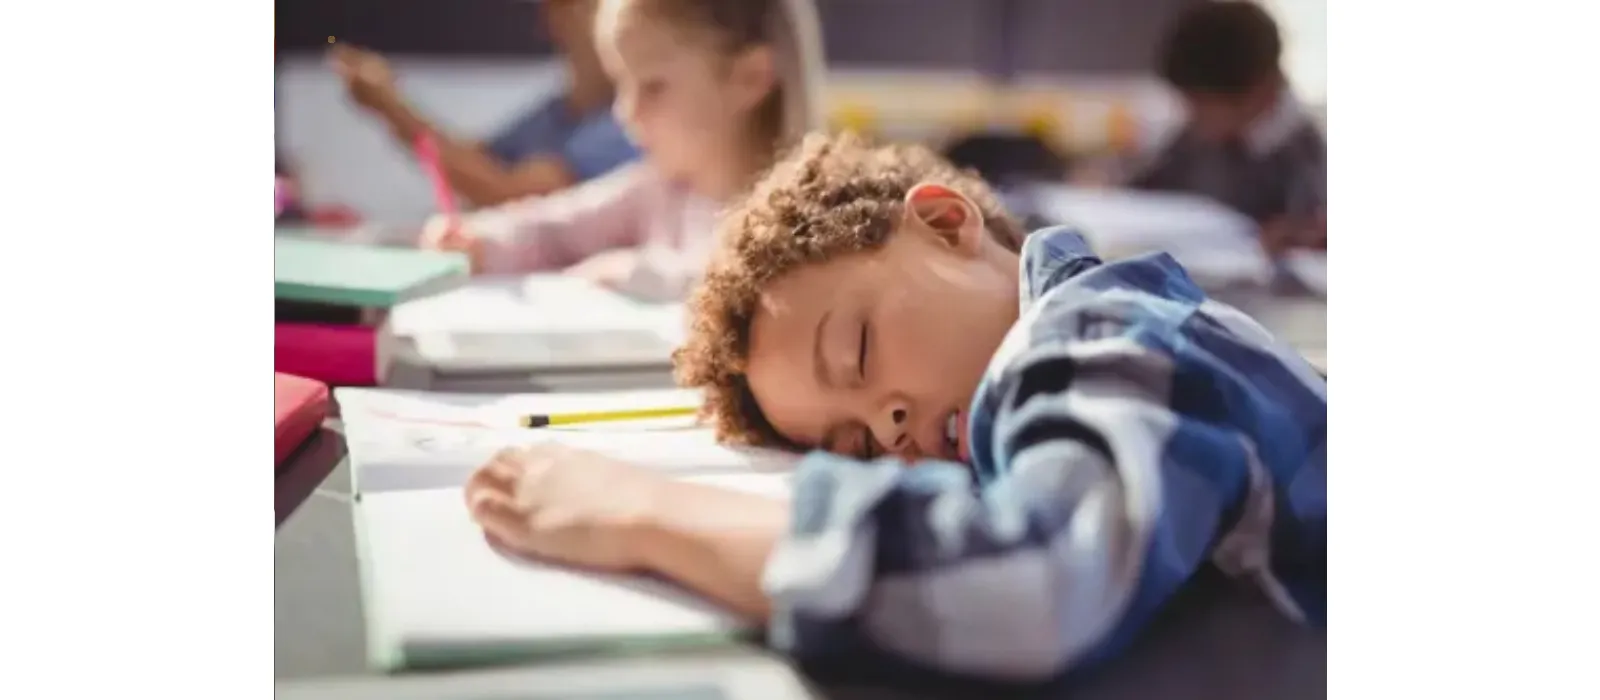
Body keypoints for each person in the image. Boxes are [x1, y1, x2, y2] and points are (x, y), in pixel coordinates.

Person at [459, 133, 1327, 683]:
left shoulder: (1101, 330)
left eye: (860, 354)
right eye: (854, 445)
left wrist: (648, 511)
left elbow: (1042, 575)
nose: (890, 430)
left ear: (947, 226)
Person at [416, 0, 826, 301]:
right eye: (621, 85)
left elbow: (746, 288)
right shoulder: (659, 189)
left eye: (653, 87)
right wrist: (480, 243)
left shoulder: (803, 218)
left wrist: (635, 276)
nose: (625, 112)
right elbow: (553, 230)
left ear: (750, 78)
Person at [330, 0, 639, 208]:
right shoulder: (556, 113)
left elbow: (506, 192)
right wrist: (389, 107)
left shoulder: (632, 119)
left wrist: (393, 109)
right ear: (552, 15)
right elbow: (477, 162)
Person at [1129, 0, 1326, 258]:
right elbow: (1141, 194)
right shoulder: (1194, 140)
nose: (1191, 115)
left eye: (1200, 104)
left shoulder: (1310, 163)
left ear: (1258, 92)